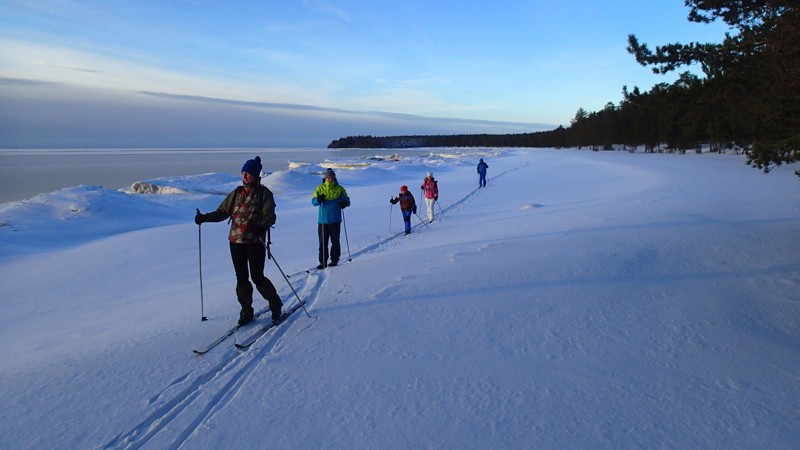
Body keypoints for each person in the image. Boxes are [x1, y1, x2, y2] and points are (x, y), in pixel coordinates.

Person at [194, 156, 283, 325]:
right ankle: (246, 311)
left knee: (257, 277)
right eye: (243, 173)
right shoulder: (236, 193)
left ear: (256, 175)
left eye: (249, 174)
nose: (245, 177)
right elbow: (222, 212)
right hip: (235, 242)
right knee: (241, 278)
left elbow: (270, 217)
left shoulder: (264, 194)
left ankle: (275, 303)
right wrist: (204, 218)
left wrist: (261, 227)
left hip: (255, 242)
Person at [312, 168, 351, 269]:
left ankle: (334, 260)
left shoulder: (340, 189)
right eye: (328, 177)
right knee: (322, 243)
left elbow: (347, 200)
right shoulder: (319, 188)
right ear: (325, 178)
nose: (329, 179)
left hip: (335, 220)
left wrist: (344, 203)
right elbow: (313, 202)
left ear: (334, 178)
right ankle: (323, 262)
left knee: (335, 241)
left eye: (331, 177)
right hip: (323, 221)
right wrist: (318, 199)